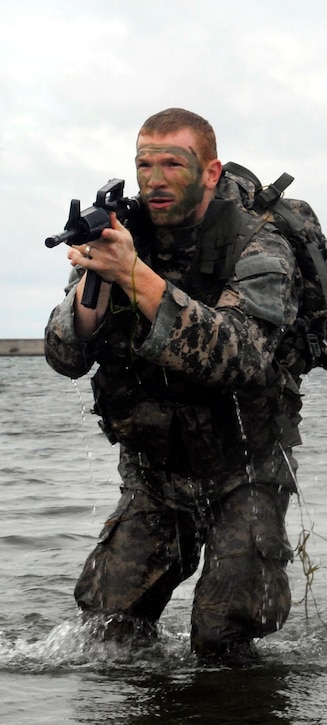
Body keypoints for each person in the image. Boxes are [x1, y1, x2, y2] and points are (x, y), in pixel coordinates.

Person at [44, 108, 301, 663]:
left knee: (222, 637)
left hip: (246, 467)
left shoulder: (260, 245)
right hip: (155, 469)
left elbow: (240, 358)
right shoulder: (120, 237)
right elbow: (64, 357)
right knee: (106, 635)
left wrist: (134, 276)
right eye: (144, 164)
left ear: (210, 172)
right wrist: (98, 281)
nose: (155, 178)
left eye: (172, 164)